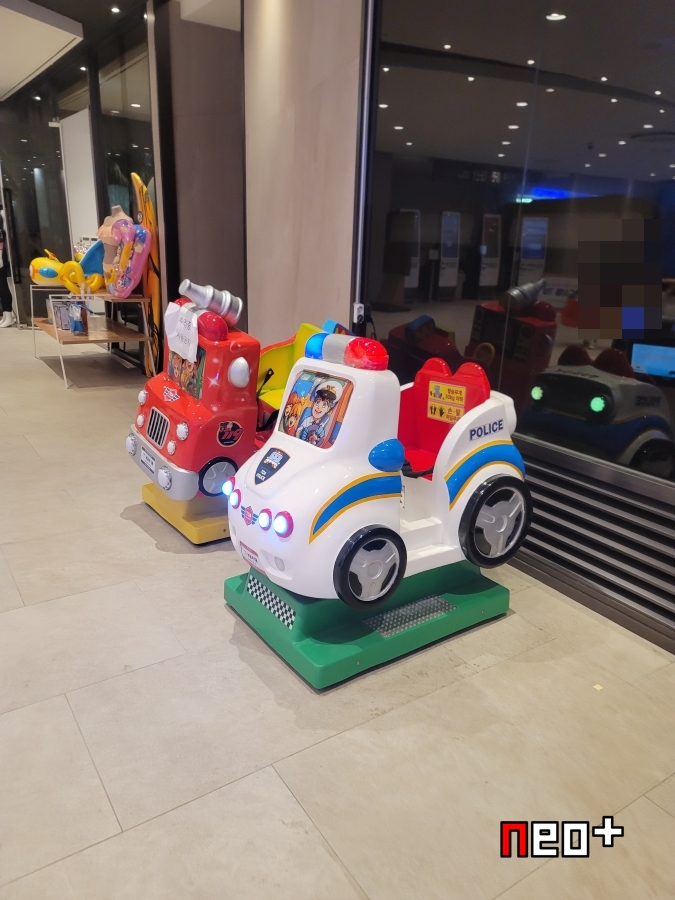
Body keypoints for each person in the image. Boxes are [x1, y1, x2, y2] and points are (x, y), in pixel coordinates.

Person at [0, 205, 15, 328]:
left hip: (2, 258)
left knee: (3, 287)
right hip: (2, 257)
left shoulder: (3, 214)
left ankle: (9, 314)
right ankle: (6, 315)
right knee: (2, 287)